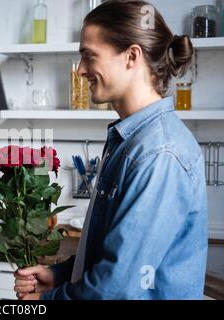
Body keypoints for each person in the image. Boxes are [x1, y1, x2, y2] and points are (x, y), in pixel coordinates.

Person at [14, 0, 208, 300]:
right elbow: (114, 254)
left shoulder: (159, 152)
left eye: (89, 56)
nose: (80, 70)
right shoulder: (130, 139)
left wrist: (46, 301)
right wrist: (59, 276)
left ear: (131, 56)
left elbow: (118, 288)